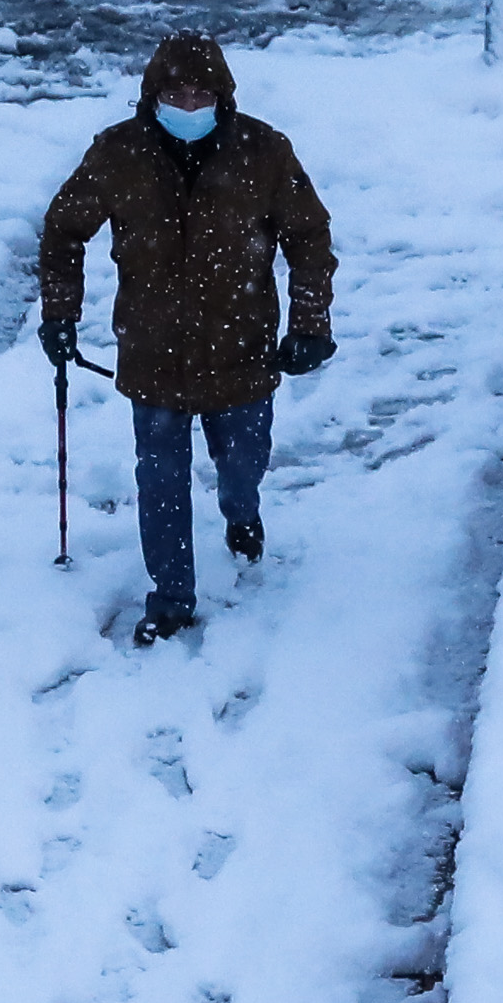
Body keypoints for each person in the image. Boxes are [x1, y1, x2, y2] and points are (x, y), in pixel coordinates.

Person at [37, 33, 334, 645]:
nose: (189, 103)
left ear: (223, 97)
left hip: (243, 348)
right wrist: (60, 315)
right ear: (152, 97)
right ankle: (172, 596)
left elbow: (309, 236)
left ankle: (241, 513)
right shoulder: (119, 155)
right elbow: (65, 229)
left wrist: (310, 324)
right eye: (176, 92)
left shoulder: (264, 152)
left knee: (243, 464)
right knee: (161, 480)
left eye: (202, 93)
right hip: (154, 353)